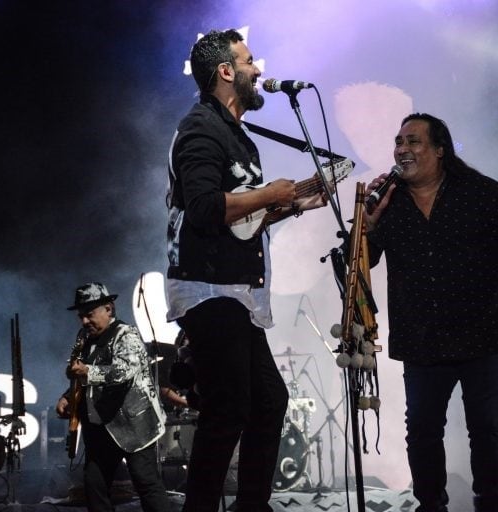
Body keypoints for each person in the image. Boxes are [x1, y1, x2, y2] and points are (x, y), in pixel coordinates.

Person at [364, 113, 498, 512]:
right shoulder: (388, 202)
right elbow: (356, 266)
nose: (402, 149)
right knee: (421, 431)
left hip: (480, 332)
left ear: (440, 150)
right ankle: (430, 505)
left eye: (413, 141)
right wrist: (364, 227)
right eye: (399, 142)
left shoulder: (483, 194)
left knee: (486, 429)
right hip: (420, 336)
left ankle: (491, 505)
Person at [165, 29, 327, 512]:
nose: (260, 69)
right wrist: (269, 194)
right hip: (206, 289)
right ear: (226, 72)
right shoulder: (200, 129)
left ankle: (251, 506)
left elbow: (242, 219)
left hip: (236, 290)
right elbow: (202, 208)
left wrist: (295, 204)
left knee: (268, 402)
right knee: (227, 409)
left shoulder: (237, 135)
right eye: (250, 60)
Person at [56, 282, 169, 512]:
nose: (84, 322)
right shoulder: (84, 338)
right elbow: (82, 373)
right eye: (81, 316)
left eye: (89, 315)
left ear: (109, 308)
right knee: (94, 486)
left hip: (134, 424)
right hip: (100, 426)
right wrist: (68, 396)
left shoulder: (126, 335)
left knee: (145, 482)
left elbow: (123, 372)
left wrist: (88, 371)